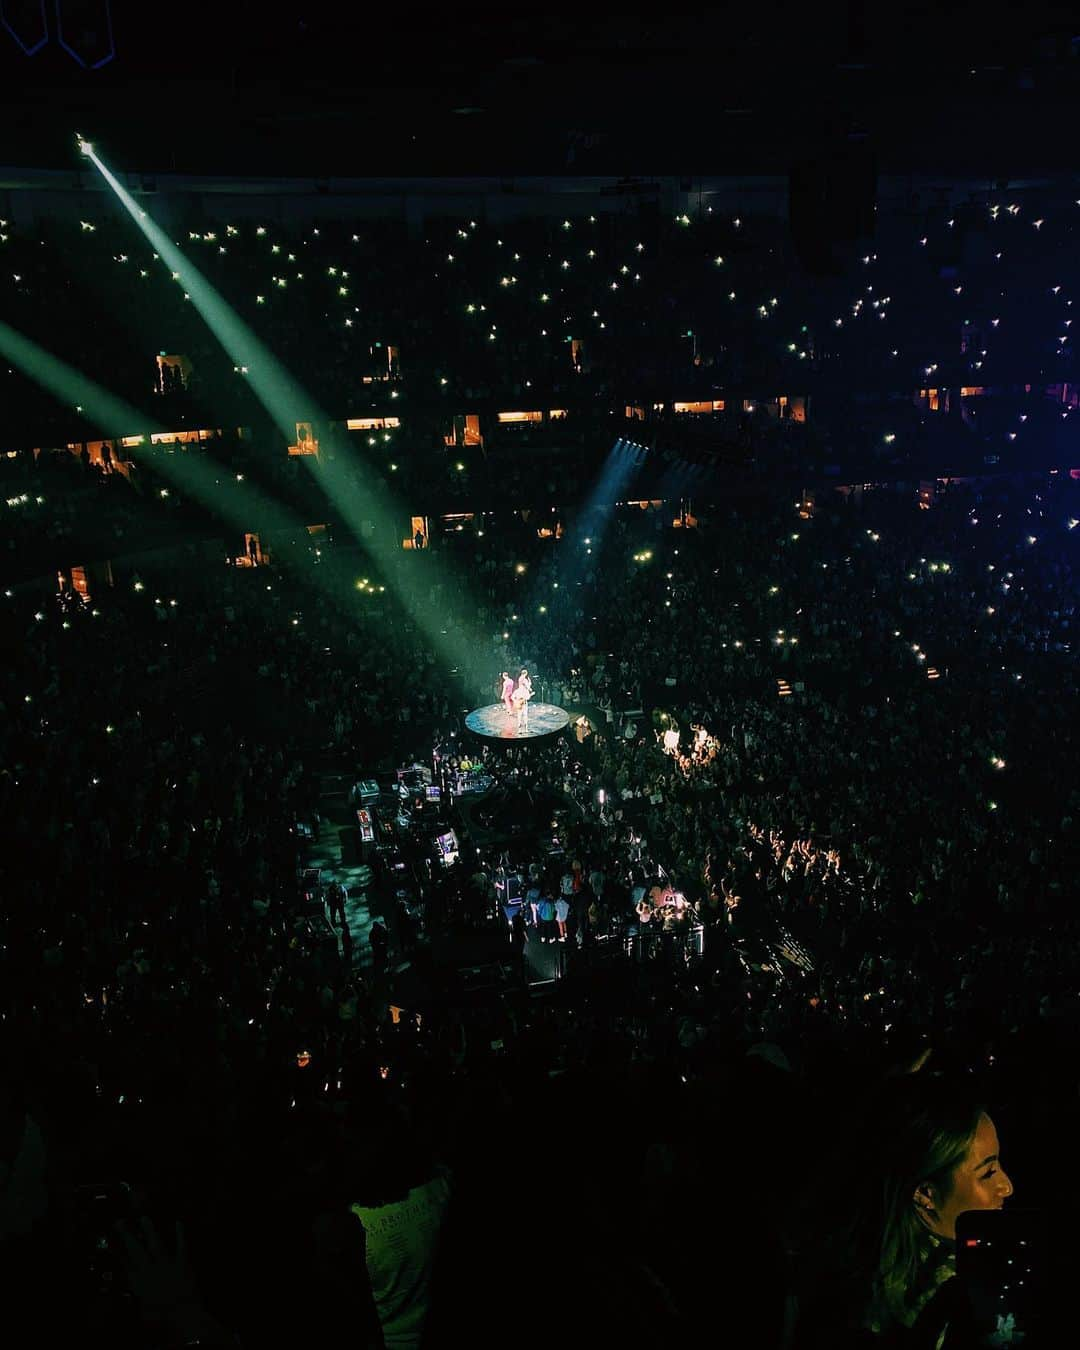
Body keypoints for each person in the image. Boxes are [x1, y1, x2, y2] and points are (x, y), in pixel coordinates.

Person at [788, 1074, 1014, 1348]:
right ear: (926, 1194)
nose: (1007, 1187)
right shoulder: (961, 1300)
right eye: (988, 1173)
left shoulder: (846, 1271)